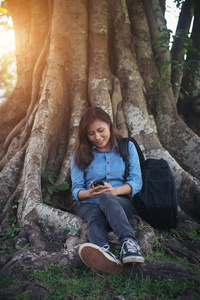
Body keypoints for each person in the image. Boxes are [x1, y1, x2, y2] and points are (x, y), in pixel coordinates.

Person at [71, 106, 144, 274]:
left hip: (119, 202)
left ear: (109, 125)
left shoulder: (127, 147)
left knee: (106, 198)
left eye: (101, 130)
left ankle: (129, 243)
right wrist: (88, 193)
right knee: (95, 215)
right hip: (88, 203)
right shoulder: (80, 153)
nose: (97, 137)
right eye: (91, 134)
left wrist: (115, 191)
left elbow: (136, 182)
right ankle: (103, 253)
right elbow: (76, 189)